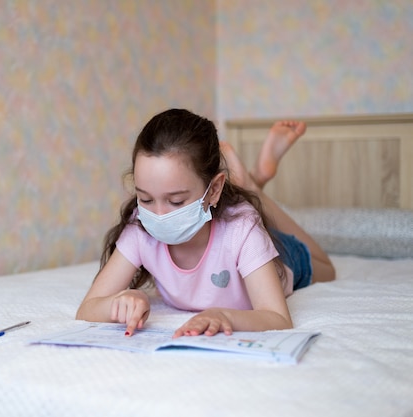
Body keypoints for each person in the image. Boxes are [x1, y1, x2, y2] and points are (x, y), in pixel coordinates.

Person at [76, 109, 335, 338]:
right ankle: (249, 187)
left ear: (213, 190)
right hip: (237, 229)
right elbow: (87, 308)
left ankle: (255, 189)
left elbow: (278, 318)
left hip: (281, 259)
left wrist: (226, 316)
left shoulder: (241, 229)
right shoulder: (139, 229)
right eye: (145, 198)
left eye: (176, 202)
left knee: (326, 267)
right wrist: (119, 302)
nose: (159, 214)